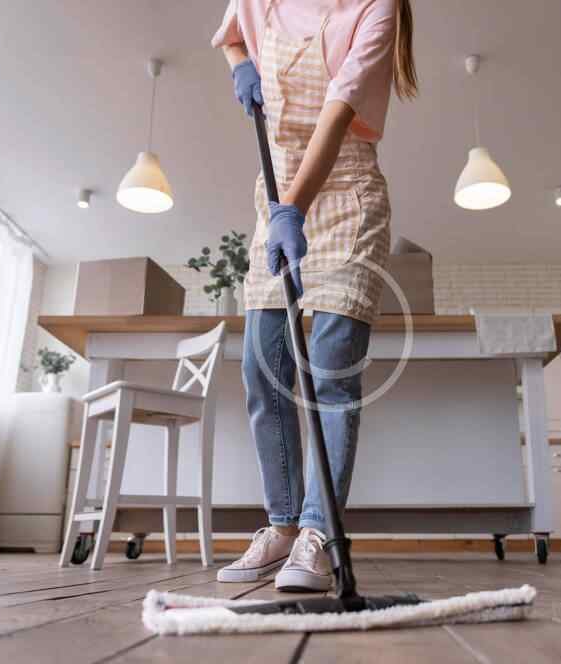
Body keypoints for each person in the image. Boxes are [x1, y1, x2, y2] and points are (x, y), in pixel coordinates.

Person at [212, 0, 417, 592]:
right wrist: (239, 66)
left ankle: (317, 534)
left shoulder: (378, 8)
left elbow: (337, 113)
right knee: (262, 368)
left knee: (332, 375)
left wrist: (294, 211)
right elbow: (232, 34)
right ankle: (280, 527)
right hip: (277, 194)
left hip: (346, 195)